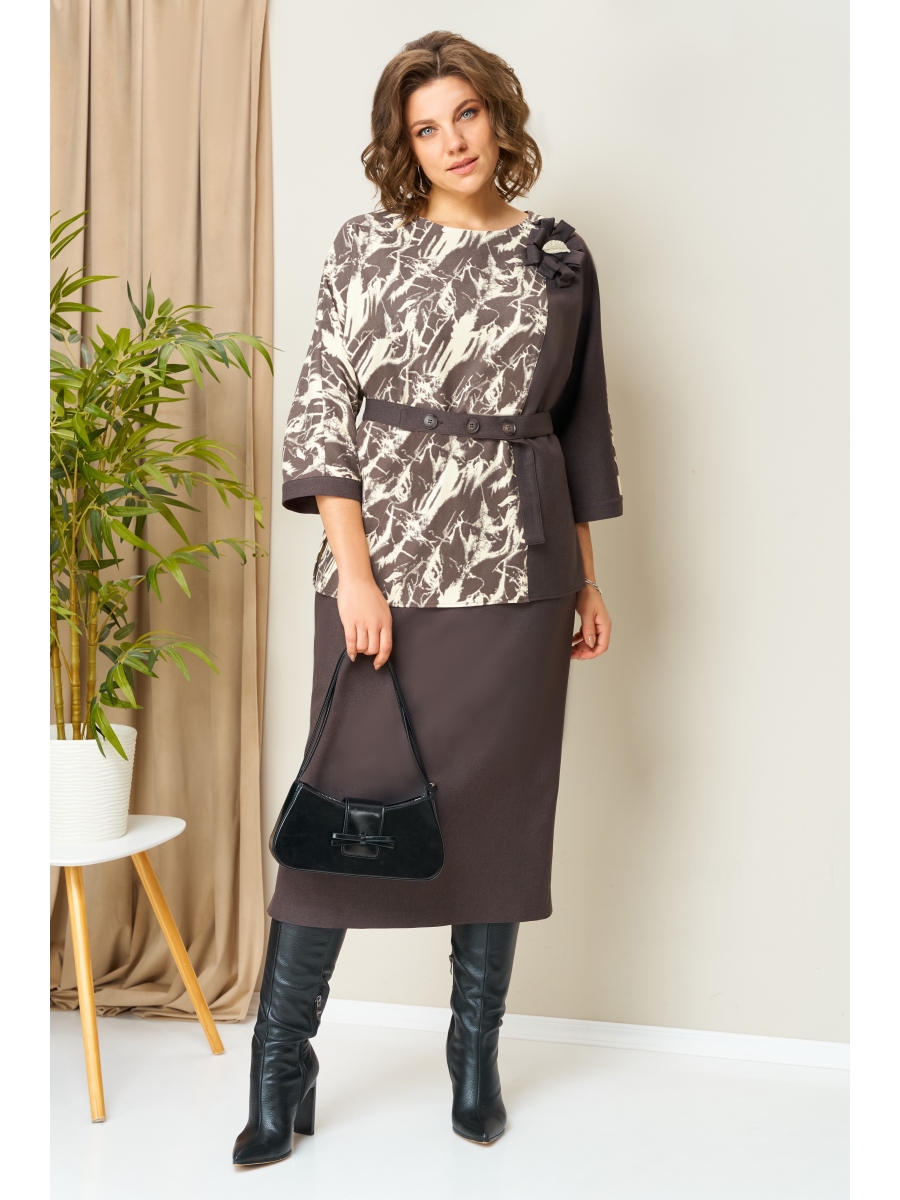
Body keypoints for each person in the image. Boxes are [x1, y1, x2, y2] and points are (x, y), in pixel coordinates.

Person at [233, 29, 622, 1167]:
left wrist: (586, 578)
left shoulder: (559, 255)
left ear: (498, 115)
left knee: (497, 813)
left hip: (518, 579)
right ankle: (279, 1066)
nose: (452, 141)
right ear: (403, 144)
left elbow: (579, 423)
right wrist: (355, 573)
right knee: (336, 821)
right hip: (387, 575)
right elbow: (323, 405)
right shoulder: (368, 244)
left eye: (467, 115)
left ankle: (473, 1057)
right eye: (426, 126)